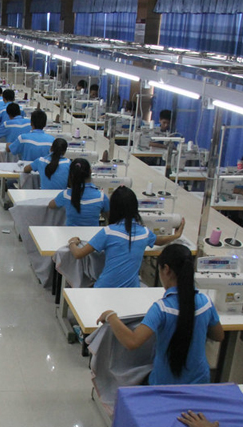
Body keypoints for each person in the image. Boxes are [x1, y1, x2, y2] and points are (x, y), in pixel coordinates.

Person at [97, 243, 224, 384]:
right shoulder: (205, 302)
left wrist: (111, 316)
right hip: (200, 383)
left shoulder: (161, 308)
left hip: (164, 385)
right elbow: (218, 335)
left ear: (166, 270)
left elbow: (132, 342)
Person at [67, 186, 185, 288]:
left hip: (105, 288)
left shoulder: (108, 232)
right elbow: (160, 241)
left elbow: (78, 254)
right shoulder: (144, 233)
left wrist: (72, 243)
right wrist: (176, 235)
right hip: (131, 289)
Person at [49, 158, 109, 226]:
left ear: (71, 174)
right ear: (90, 171)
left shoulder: (65, 195)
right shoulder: (101, 197)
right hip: (93, 232)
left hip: (70, 232)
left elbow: (51, 205)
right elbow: (110, 218)